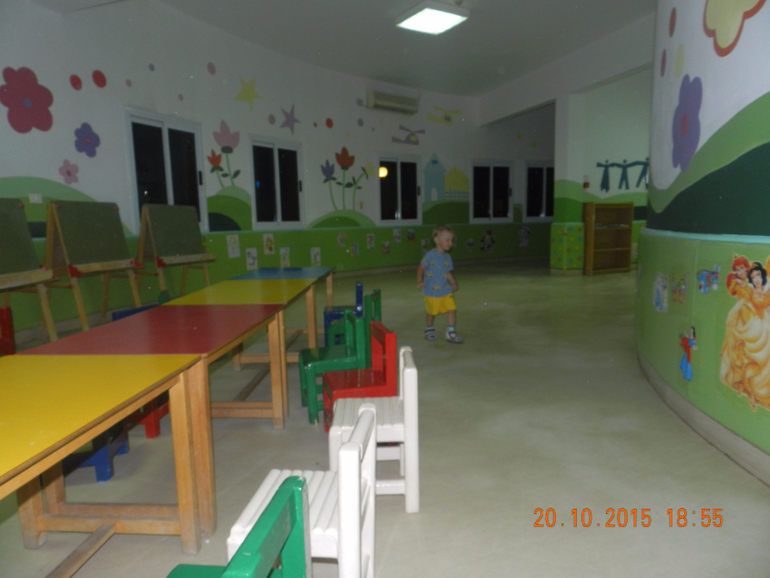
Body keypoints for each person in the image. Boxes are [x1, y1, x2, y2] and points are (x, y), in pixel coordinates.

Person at [417, 225, 463, 343]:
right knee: (432, 312)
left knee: (452, 309)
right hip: (432, 291)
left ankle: (450, 332)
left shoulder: (447, 257)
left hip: (445, 290)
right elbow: (421, 268)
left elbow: (447, 271)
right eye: (447, 240)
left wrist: (453, 282)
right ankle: (429, 329)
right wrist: (420, 280)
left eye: (451, 240)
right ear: (437, 240)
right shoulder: (430, 255)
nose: (450, 243)